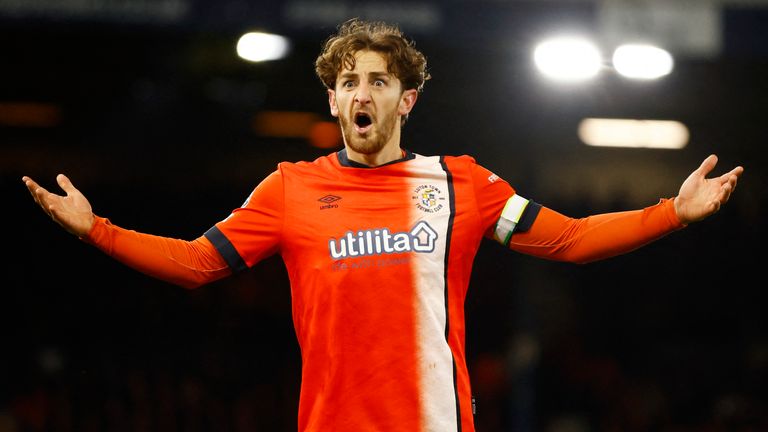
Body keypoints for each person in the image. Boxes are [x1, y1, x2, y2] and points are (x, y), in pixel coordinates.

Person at [23, 18, 742, 432]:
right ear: (332, 100)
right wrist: (97, 229)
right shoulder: (290, 187)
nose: (360, 94)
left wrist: (671, 213)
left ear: (407, 99)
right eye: (347, 83)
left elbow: (573, 240)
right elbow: (195, 263)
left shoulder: (463, 182)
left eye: (377, 80)